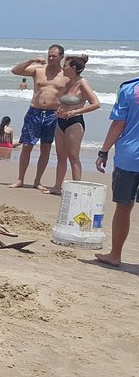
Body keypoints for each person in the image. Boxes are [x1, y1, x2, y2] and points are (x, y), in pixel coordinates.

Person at [95, 75, 139, 267]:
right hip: (128, 157)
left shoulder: (128, 89)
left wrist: (103, 151)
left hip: (128, 157)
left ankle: (115, 255)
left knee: (123, 207)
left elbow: (118, 124)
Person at [9, 45, 67, 188]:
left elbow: (74, 93)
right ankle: (20, 179)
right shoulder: (38, 70)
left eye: (54, 55)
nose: (51, 58)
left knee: (46, 148)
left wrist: (67, 110)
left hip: (52, 115)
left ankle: (37, 181)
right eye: (49, 55)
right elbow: (15, 71)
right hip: (34, 111)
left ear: (61, 57)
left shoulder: (65, 74)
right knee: (27, 145)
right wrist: (31, 60)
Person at [45, 54, 101, 195]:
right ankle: (57, 187)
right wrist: (59, 109)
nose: (63, 67)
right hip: (61, 121)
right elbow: (64, 101)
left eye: (66, 65)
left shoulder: (82, 83)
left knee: (73, 156)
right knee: (60, 156)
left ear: (73, 68)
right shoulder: (67, 82)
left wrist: (75, 112)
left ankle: (77, 188)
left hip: (74, 123)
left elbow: (96, 104)